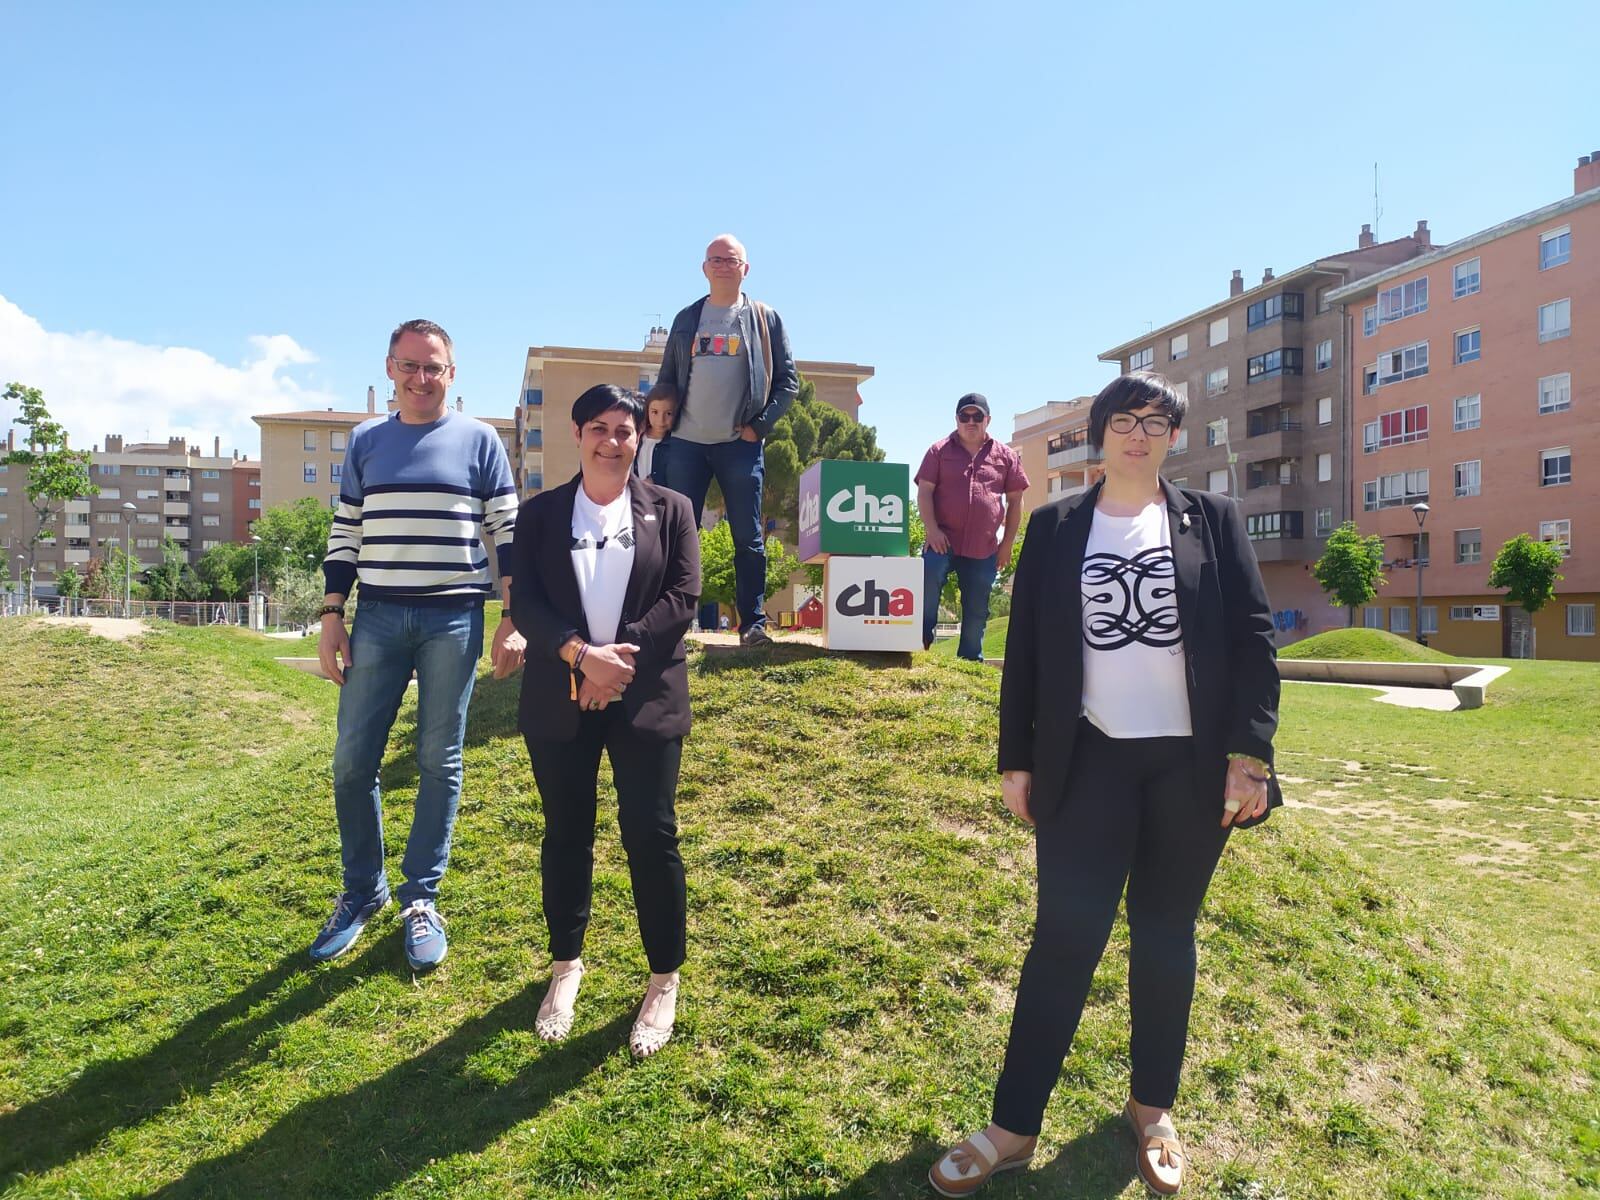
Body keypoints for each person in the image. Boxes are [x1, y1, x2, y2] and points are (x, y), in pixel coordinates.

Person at [930, 373, 1281, 1198]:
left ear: (1172, 435)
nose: (1138, 434)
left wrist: (1250, 754)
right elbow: (1025, 653)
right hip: (1087, 763)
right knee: (1063, 941)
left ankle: (1151, 1110)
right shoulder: (1055, 526)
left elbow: (1255, 641)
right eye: (1123, 420)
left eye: (1155, 421)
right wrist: (1016, 758)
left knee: (1165, 940)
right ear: (1099, 433)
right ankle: (1012, 1127)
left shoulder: (1212, 518)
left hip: (1190, 771)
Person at [310, 319, 525, 970]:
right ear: (389, 368)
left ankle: (421, 898)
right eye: (410, 366)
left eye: (434, 367)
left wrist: (514, 616)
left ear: (451, 375)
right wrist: (330, 614)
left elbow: (508, 531)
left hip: (452, 617)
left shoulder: (480, 440)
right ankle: (362, 891)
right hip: (375, 614)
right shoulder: (365, 442)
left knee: (440, 759)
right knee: (352, 763)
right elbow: (346, 532)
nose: (422, 378)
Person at [508, 384, 701, 1058]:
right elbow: (525, 601)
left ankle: (664, 978)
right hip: (558, 697)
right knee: (566, 834)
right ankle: (566, 967)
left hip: (646, 697)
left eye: (625, 430)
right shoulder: (538, 516)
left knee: (651, 835)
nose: (613, 441)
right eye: (599, 428)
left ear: (639, 438)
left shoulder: (671, 510)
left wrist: (619, 662)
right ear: (576, 433)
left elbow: (684, 594)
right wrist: (580, 656)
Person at [657, 233, 798, 646]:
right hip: (685, 443)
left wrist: (759, 427)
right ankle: (674, 624)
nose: (722, 265)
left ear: (745, 269)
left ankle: (752, 623)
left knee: (748, 537)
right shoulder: (686, 318)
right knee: (677, 535)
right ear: (704, 268)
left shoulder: (763, 318)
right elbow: (667, 378)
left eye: (730, 259)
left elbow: (787, 383)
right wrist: (659, 423)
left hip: (740, 445)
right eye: (714, 259)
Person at [916, 393, 1029, 661]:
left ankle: (969, 660)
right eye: (964, 416)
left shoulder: (1006, 456)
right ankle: (920, 639)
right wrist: (932, 530)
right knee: (928, 576)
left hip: (984, 547)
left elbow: (1015, 501)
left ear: (987, 419)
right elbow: (924, 492)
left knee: (977, 607)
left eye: (977, 416)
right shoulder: (938, 451)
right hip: (941, 540)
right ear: (956, 419)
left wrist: (1007, 545)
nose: (971, 421)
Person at [636, 383, 677, 484]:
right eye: (655, 412)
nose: (661, 420)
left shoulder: (676, 445)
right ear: (647, 411)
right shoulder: (637, 438)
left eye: (668, 413)